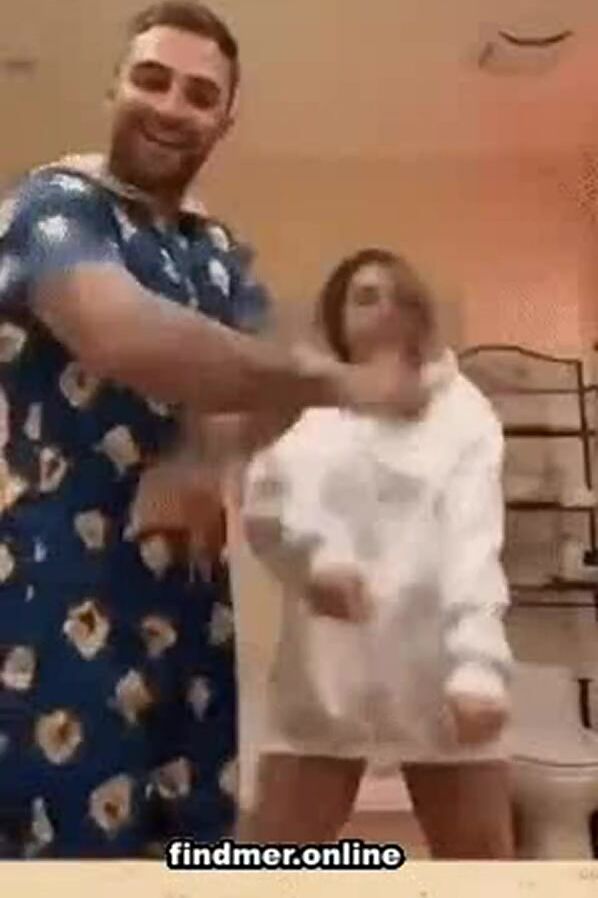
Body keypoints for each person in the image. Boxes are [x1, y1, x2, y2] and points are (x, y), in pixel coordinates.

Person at [0, 3, 424, 858]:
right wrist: (338, 380)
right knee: (69, 854)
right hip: (59, 587)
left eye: (200, 94)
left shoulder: (217, 248)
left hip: (194, 602)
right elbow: (123, 333)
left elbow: (269, 382)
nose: (171, 106)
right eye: (152, 80)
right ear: (114, 87)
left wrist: (200, 459)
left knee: (194, 847)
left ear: (224, 120)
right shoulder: (53, 205)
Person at [240, 248, 515, 858]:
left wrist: (479, 666)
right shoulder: (309, 408)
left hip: (437, 669)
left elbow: (473, 541)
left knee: (484, 875)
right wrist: (313, 565)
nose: (385, 308)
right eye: (365, 296)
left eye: (400, 297)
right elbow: (267, 509)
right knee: (270, 867)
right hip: (327, 670)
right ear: (336, 315)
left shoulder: (462, 412)